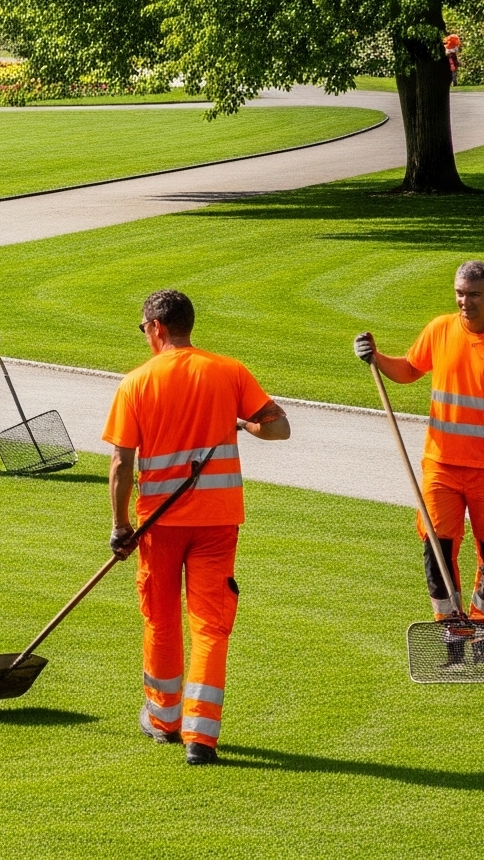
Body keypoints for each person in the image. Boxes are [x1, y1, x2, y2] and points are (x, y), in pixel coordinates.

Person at [106, 288, 290, 764]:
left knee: (160, 619)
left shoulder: (136, 382)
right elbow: (278, 428)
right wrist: (242, 424)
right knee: (211, 625)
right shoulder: (227, 371)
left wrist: (119, 525)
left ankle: (164, 720)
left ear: (157, 328)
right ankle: (201, 736)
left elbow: (121, 465)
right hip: (218, 519)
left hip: (159, 524)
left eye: (145, 328)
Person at [356, 259, 484, 636]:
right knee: (437, 551)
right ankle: (451, 628)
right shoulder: (439, 329)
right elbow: (408, 370)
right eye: (460, 293)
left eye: (475, 294)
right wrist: (376, 358)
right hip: (441, 466)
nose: (466, 302)